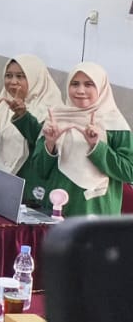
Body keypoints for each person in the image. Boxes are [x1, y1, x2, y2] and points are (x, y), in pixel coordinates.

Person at [26, 62, 133, 217]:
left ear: (101, 87)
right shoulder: (56, 118)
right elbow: (39, 170)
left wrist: (97, 146)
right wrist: (50, 143)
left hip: (95, 210)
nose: (80, 90)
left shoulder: (114, 124)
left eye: (89, 84)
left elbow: (129, 172)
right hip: (55, 209)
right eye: (75, 84)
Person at [0, 54, 61, 176]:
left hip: (27, 180)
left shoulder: (50, 111)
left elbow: (40, 140)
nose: (13, 82)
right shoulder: (1, 103)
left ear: (35, 78)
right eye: (8, 76)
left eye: (20, 76)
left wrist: (22, 116)